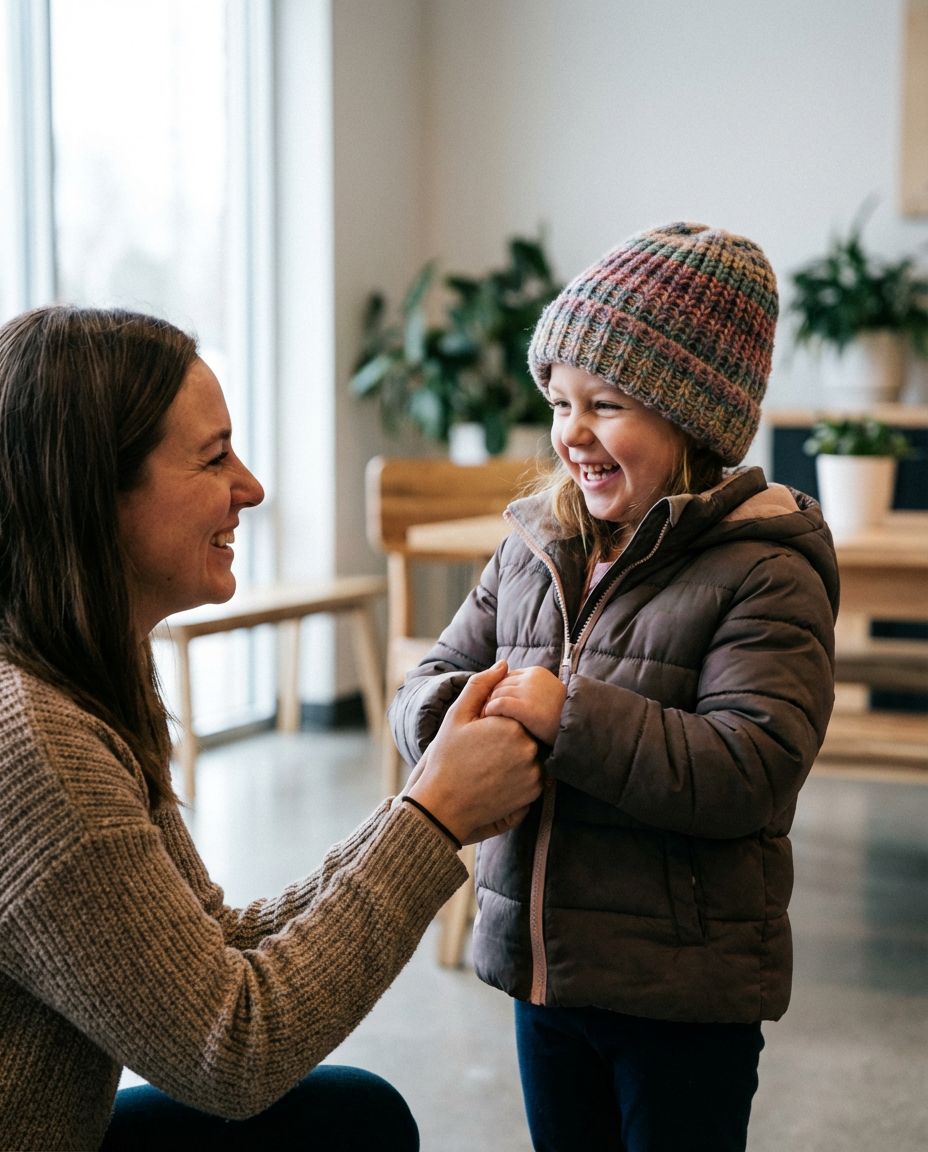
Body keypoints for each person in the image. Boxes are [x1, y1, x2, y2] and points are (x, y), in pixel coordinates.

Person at [0, 305, 543, 1152]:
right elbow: (232, 1049)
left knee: (354, 1115)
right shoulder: (34, 743)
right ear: (89, 493)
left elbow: (211, 940)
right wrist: (435, 818)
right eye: (215, 458)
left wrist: (421, 806)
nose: (250, 487)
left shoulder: (79, 676)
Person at [388, 223, 839, 1152]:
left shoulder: (765, 568)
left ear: (694, 419)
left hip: (680, 990)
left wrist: (569, 715)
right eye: (559, 401)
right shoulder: (532, 545)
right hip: (543, 972)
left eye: (607, 404)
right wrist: (451, 715)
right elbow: (429, 679)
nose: (572, 433)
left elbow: (749, 767)